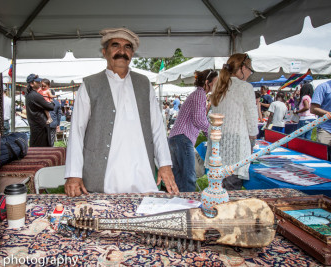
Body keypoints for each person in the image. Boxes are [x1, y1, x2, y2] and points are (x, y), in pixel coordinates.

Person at [64, 27, 178, 196]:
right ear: (104, 52)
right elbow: (77, 131)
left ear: (132, 54)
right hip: (103, 178)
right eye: (115, 45)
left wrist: (165, 164)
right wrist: (73, 175)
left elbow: (157, 128)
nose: (122, 51)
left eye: (127, 47)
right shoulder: (90, 85)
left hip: (142, 177)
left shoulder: (144, 83)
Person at [205, 53, 258, 190]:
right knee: (231, 190)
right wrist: (252, 139)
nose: (250, 72)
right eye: (250, 69)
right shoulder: (245, 87)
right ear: (242, 68)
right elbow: (252, 122)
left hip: (218, 141)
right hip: (235, 145)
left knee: (218, 188)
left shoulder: (219, 86)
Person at [169, 69, 218, 192]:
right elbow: (198, 120)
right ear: (207, 82)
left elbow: (198, 119)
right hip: (182, 137)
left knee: (179, 177)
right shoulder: (200, 94)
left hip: (177, 137)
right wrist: (211, 133)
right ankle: (189, 206)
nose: (216, 85)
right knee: (189, 177)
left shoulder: (197, 94)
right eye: (215, 82)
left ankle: (180, 204)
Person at [25, 74, 55, 147]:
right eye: (37, 82)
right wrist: (51, 101)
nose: (39, 83)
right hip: (40, 126)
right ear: (31, 84)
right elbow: (50, 107)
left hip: (36, 125)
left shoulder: (29, 95)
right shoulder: (35, 95)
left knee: (35, 148)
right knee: (42, 149)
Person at [311, 80, 331, 145]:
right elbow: (313, 109)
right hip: (326, 130)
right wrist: (329, 114)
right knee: (323, 154)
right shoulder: (323, 87)